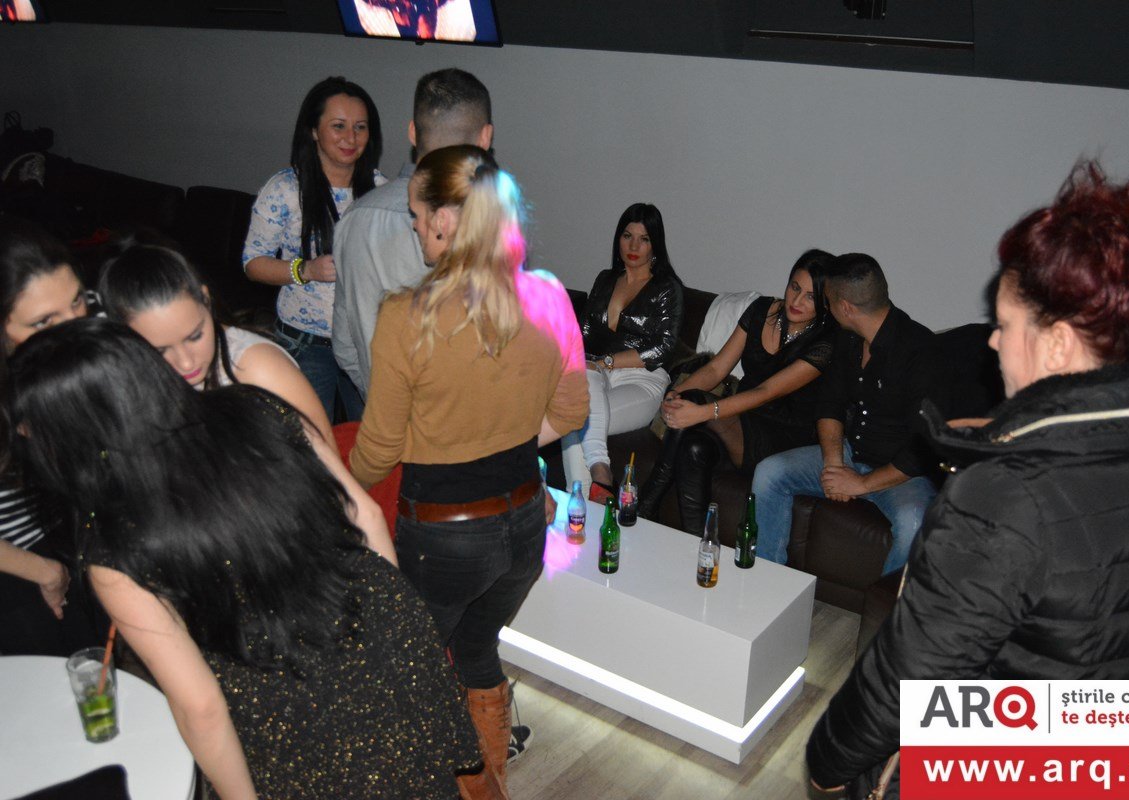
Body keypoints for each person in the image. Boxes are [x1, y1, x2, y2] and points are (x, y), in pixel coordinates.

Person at [806, 162, 1129, 796]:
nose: (992, 343)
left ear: (1058, 345)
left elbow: (911, 669)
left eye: (1006, 326)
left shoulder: (1007, 492)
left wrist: (828, 762)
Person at [9, 317, 480, 799]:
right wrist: (392, 635)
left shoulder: (111, 545)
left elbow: (201, 708)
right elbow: (365, 517)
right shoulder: (254, 404)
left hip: (289, 698)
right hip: (382, 623)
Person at [349, 145, 587, 797]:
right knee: (478, 652)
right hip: (523, 530)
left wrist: (333, 488)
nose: (413, 226)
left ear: (446, 220)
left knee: (406, 683)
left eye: (416, 214)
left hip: (444, 540)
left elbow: (378, 450)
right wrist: (504, 442)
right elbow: (571, 411)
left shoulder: (407, 314)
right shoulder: (548, 295)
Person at [751, 253, 940, 570]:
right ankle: (766, 583)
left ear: (846, 308)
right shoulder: (848, 337)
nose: (826, 308)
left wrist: (861, 484)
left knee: (914, 522)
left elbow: (924, 447)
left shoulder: (921, 350)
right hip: (851, 452)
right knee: (770, 473)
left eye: (828, 301)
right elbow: (830, 403)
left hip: (901, 473)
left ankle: (893, 605)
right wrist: (834, 465)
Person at [638, 249, 836, 534]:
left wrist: (704, 412)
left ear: (825, 303)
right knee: (693, 447)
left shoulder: (825, 344)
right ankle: (696, 540)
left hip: (783, 437)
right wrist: (675, 392)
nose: (796, 301)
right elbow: (716, 368)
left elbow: (767, 391)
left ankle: (648, 501)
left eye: (810, 297)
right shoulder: (761, 310)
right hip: (741, 418)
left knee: (694, 402)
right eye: (795, 287)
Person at [334, 67, 493, 402]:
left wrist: (377, 397)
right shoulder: (486, 223)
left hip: (381, 413)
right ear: (485, 138)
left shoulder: (355, 217)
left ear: (412, 132)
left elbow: (345, 343)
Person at [242, 76, 385, 423]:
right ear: (313, 131)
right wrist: (305, 270)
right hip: (305, 344)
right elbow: (252, 263)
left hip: (365, 341)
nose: (351, 138)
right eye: (338, 126)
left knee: (372, 441)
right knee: (312, 440)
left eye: (360, 127)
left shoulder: (381, 190)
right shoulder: (285, 189)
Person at [100, 243, 334, 445]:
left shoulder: (258, 367)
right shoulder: (117, 377)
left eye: (194, 336)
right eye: (160, 350)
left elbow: (326, 467)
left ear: (206, 300)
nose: (186, 362)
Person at [0, 216, 104, 656]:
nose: (73, 329)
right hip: (15, 559)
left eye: (77, 302)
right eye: (44, 322)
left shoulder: (87, 333)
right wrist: (44, 571)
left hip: (66, 531)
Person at [561, 202, 683, 500]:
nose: (634, 246)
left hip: (642, 379)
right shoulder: (605, 279)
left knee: (573, 418)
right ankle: (600, 477)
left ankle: (583, 500)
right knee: (574, 392)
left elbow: (663, 348)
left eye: (644, 239)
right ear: (618, 239)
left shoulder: (667, 288)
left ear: (655, 245)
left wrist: (607, 361)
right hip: (597, 373)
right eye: (627, 236)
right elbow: (583, 333)